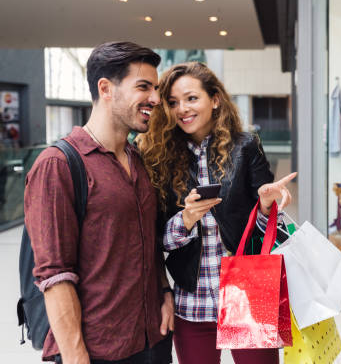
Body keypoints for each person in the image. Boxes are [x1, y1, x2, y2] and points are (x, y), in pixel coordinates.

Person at [24, 41, 174, 363]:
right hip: (99, 351)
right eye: (144, 87)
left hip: (153, 340)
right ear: (106, 88)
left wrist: (164, 290)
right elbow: (54, 275)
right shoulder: (59, 165)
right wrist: (77, 357)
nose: (156, 99)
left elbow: (146, 240)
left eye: (156, 88)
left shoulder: (138, 159)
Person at [137, 62, 295, 364]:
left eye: (191, 98)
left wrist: (264, 204)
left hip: (246, 291)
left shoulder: (245, 146)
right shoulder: (158, 154)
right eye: (172, 102)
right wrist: (186, 219)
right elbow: (156, 238)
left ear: (215, 99)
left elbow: (264, 232)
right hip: (191, 298)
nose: (182, 109)